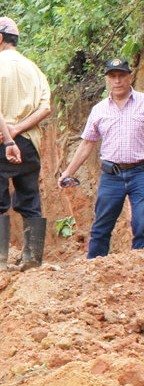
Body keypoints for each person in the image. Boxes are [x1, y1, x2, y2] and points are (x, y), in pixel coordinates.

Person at [0, 16, 51, 271]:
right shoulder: (33, 68)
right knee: (29, 198)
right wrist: (18, 130)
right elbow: (45, 107)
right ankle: (32, 260)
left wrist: (8, 138)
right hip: (30, 141)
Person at [58, 58, 144, 258]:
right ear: (106, 80)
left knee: (142, 223)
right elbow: (88, 143)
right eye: (113, 76)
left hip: (140, 173)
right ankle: (93, 271)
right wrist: (68, 172)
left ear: (130, 77)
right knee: (101, 227)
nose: (117, 81)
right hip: (111, 176)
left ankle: (139, 269)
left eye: (122, 75)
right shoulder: (99, 110)